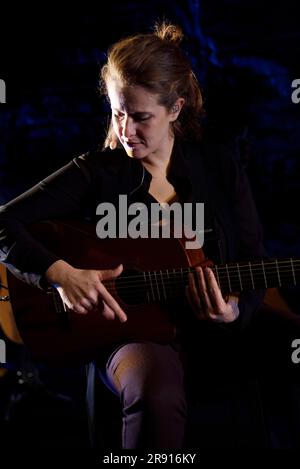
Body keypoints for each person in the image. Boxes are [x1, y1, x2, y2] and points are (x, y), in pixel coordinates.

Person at [0, 22, 266, 449]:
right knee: (154, 387)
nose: (125, 131)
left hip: (213, 339)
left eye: (140, 117)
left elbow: (254, 259)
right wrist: (60, 273)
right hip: (130, 337)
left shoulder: (220, 168)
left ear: (175, 109)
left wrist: (232, 312)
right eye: (118, 113)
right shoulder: (96, 172)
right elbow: (2, 223)